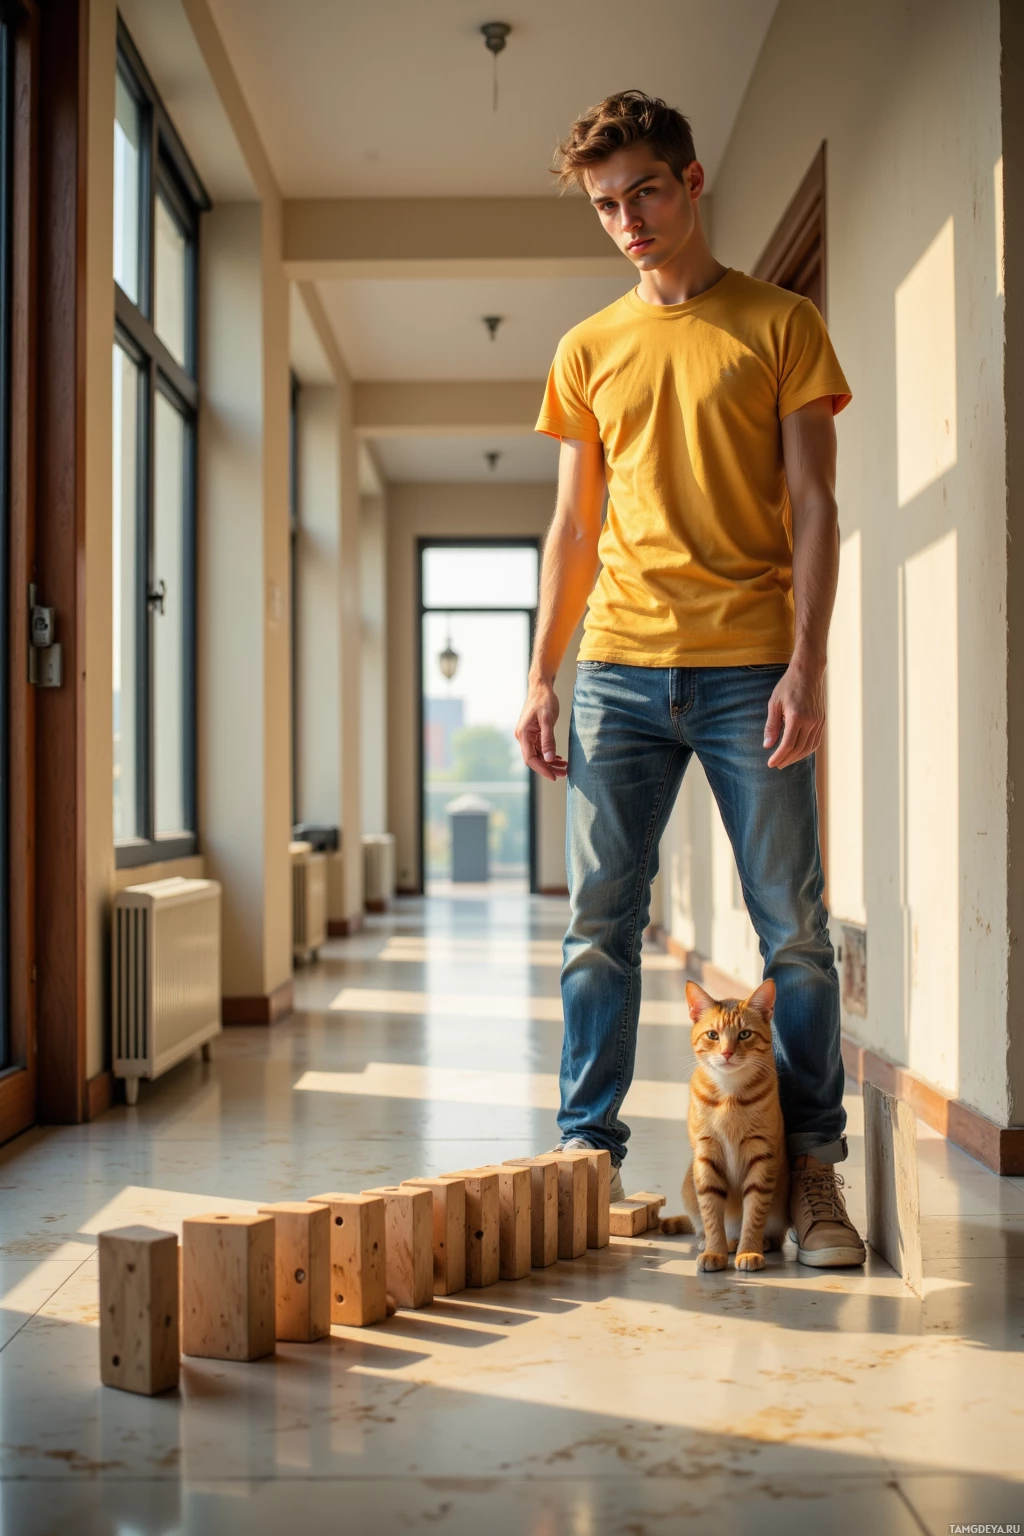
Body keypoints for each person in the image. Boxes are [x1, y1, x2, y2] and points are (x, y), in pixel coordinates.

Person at [515, 90, 865, 1267]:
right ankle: (585, 1162)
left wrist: (807, 660)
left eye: (646, 192)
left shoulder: (779, 324)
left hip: (748, 663)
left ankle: (810, 1172)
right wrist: (539, 673)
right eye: (607, 205)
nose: (628, 220)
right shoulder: (587, 347)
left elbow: (816, 506)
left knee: (794, 936)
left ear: (692, 179)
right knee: (597, 929)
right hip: (616, 665)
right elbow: (571, 530)